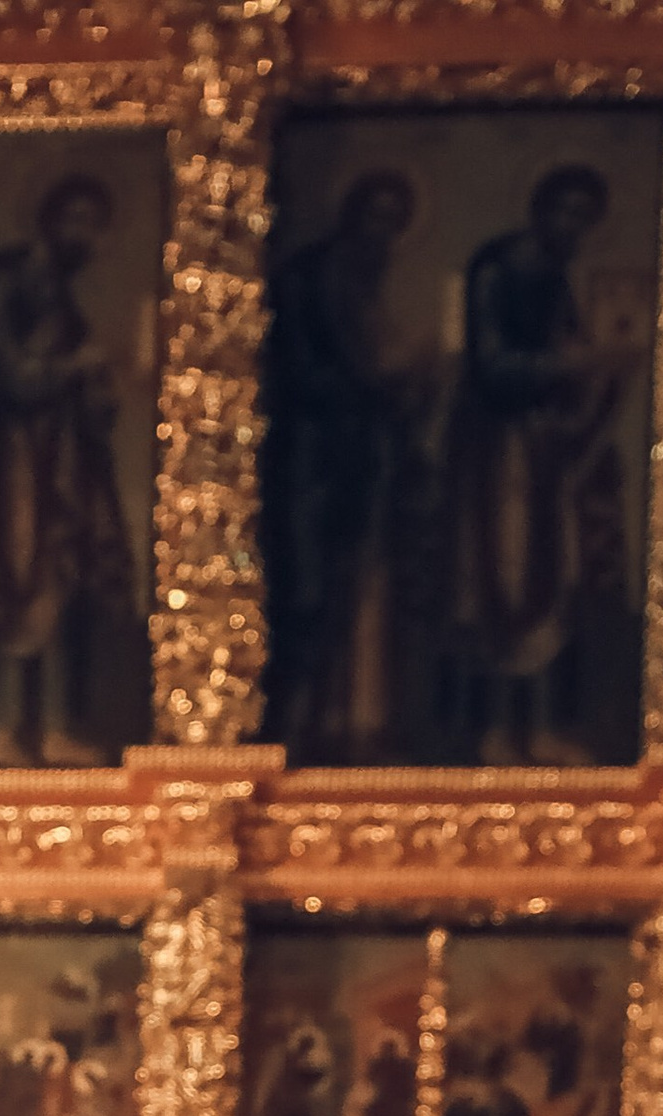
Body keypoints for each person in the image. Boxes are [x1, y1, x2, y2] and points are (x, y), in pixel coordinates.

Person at [445, 165, 636, 763]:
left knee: (556, 578)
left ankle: (546, 725)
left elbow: (572, 353)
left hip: (550, 450)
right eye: (565, 212)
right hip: (501, 448)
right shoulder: (499, 268)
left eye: (585, 217)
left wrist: (598, 371)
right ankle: (499, 727)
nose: (573, 227)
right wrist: (578, 366)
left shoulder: (559, 278)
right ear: (540, 209)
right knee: (505, 576)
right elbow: (494, 368)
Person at [0, 175, 142, 765]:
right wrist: (72, 366)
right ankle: (4, 728)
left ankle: (55, 725)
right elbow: (10, 373)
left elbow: (77, 387)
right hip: (10, 453)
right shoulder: (9, 276)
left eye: (95, 225)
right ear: (50, 219)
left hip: (59, 458)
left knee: (57, 575)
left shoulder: (62, 291)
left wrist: (101, 387)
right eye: (77, 220)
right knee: (16, 576)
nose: (85, 236)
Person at [265, 172, 433, 763]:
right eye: (374, 218)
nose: (382, 235)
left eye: (393, 222)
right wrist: (378, 382)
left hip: (359, 455)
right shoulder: (313, 278)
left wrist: (406, 387)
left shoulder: (366, 283)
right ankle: (293, 727)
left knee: (358, 585)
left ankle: (347, 723)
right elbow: (304, 370)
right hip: (313, 456)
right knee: (307, 590)